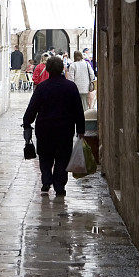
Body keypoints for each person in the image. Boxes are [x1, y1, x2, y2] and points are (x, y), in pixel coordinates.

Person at [22, 55, 85, 196]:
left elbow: (32, 107)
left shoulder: (42, 88)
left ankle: (46, 180)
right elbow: (78, 109)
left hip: (45, 129)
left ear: (48, 70)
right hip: (65, 129)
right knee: (63, 157)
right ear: (62, 68)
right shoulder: (70, 87)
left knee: (45, 156)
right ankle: (59, 185)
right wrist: (80, 129)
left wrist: (27, 122)